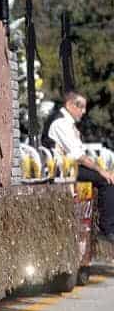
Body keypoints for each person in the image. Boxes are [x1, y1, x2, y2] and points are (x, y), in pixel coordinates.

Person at [47, 91, 114, 241]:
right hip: (63, 169)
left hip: (71, 166)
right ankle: (107, 229)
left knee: (107, 175)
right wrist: (103, 171)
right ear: (70, 104)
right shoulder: (61, 123)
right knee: (106, 180)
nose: (84, 111)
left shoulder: (68, 123)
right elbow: (79, 157)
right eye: (81, 107)